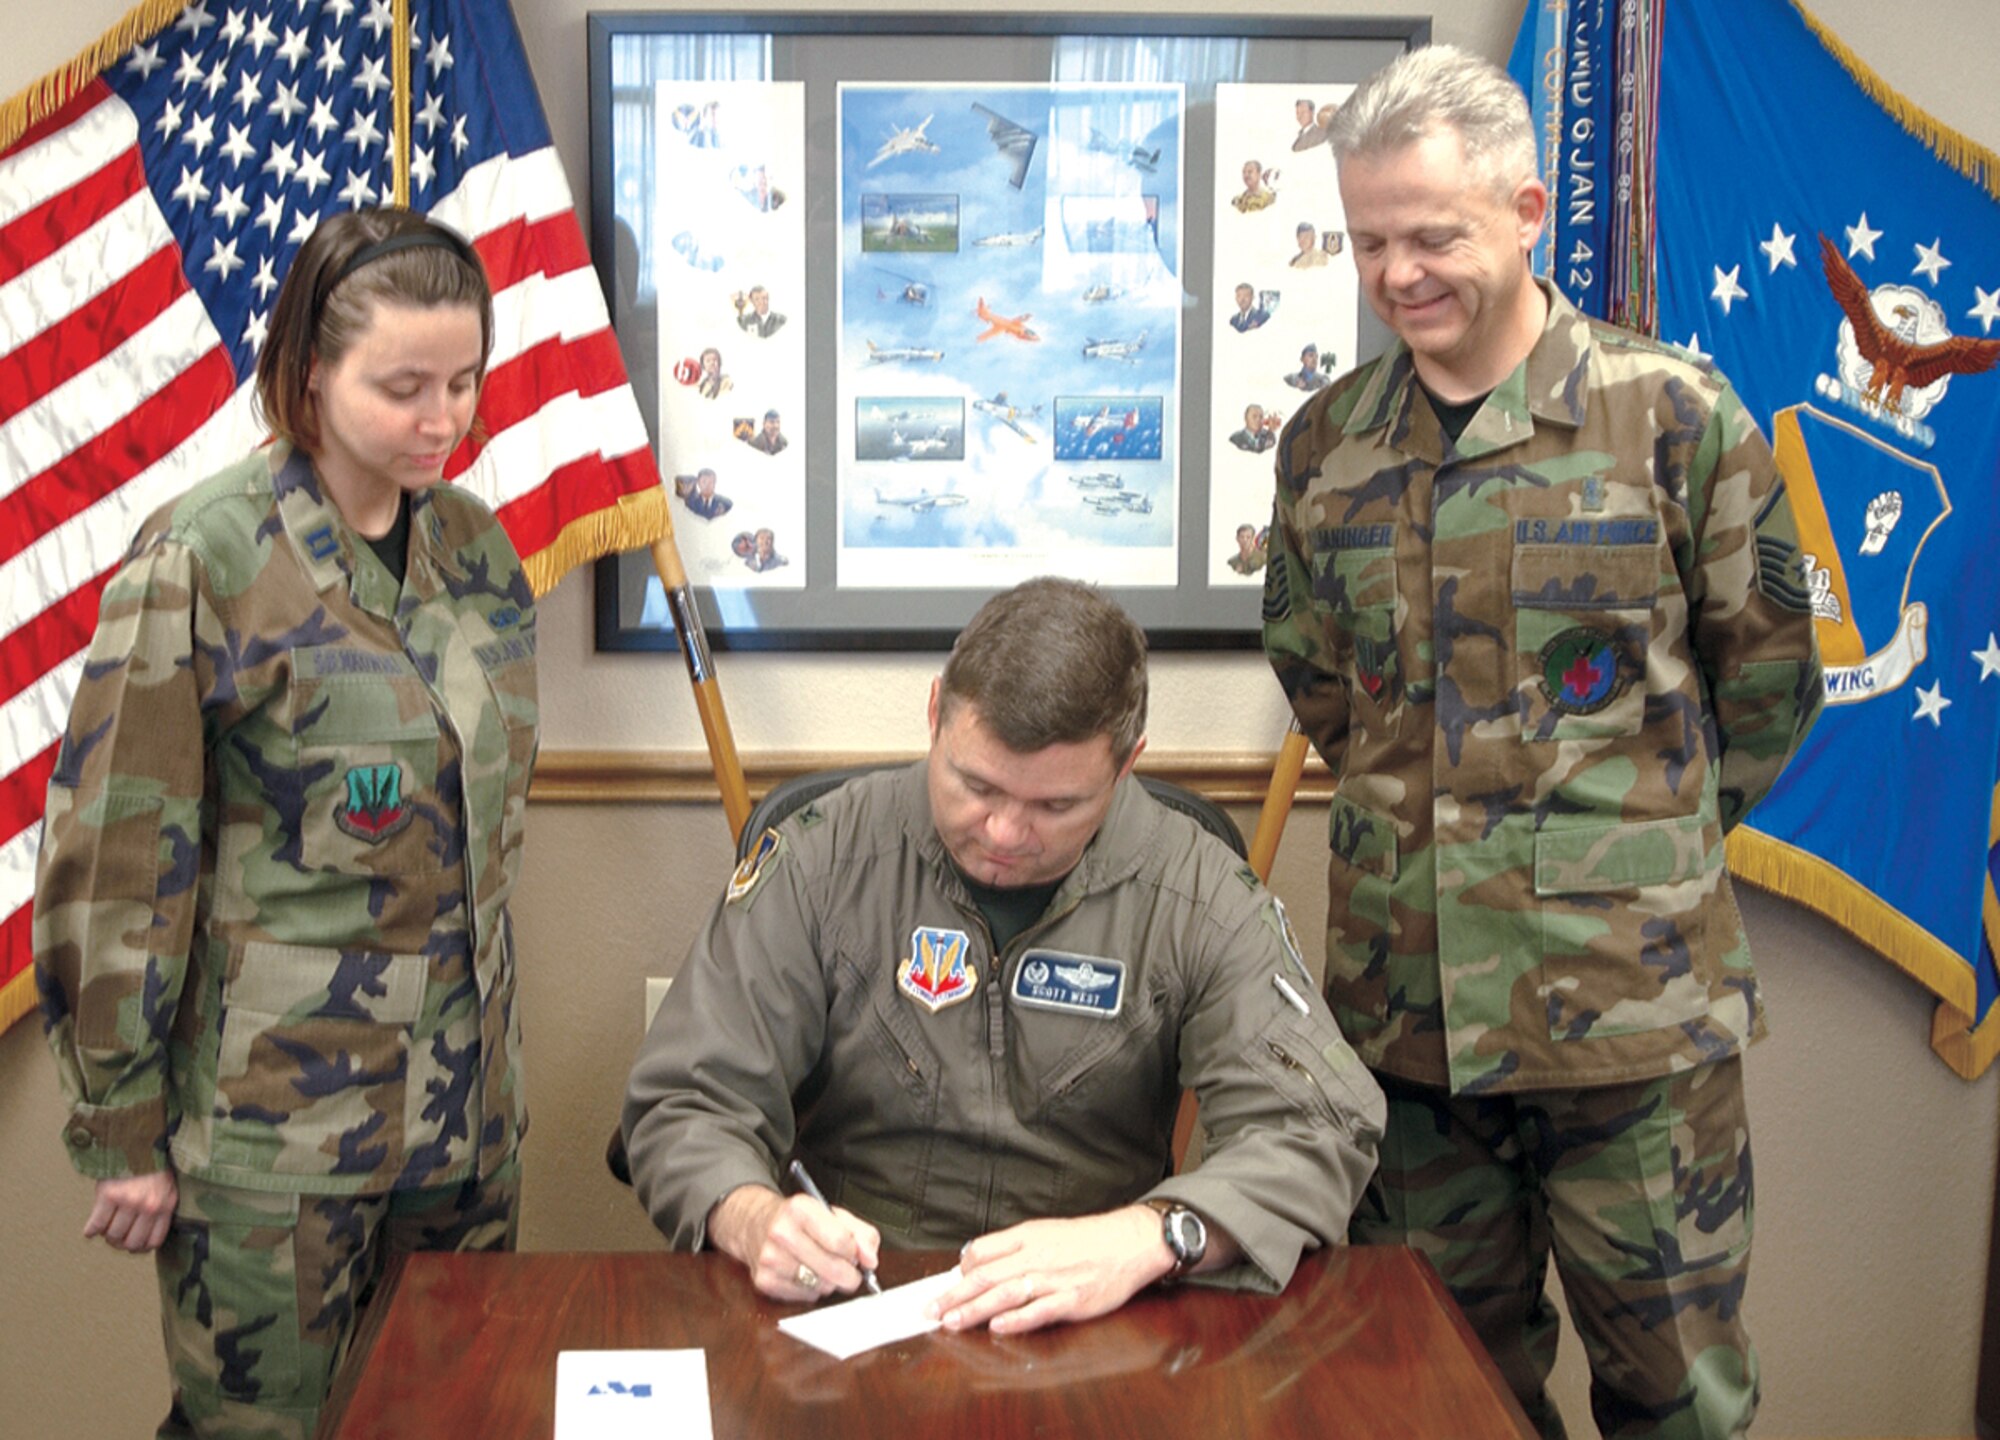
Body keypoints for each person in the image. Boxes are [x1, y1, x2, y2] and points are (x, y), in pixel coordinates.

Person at [1260, 45, 1822, 1440]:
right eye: (1371, 239)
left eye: (1434, 235)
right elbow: (1325, 685)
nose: (1399, 273)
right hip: (1410, 1035)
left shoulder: (1674, 417)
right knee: (1431, 1398)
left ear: (1525, 213)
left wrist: (1623, 858)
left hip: (1628, 1035)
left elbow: (1768, 688)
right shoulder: (1328, 446)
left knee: (1677, 1404)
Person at [31, 208, 539, 1440]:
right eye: (403, 386)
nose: (443, 418)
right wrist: (123, 1125)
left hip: (464, 1130)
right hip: (273, 1147)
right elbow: (117, 855)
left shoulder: (474, 550)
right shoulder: (204, 559)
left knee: (452, 1420)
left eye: (464, 381)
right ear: (309, 370)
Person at [624, 578, 1383, 1334]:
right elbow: (683, 1100)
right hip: (852, 1301)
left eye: (1057, 805)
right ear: (934, 717)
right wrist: (753, 1217)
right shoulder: (823, 857)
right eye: (974, 784)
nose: (1004, 833)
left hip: (1096, 1306)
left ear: (1125, 767)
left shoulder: (1197, 890)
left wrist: (1155, 1235)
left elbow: (1320, 1127)